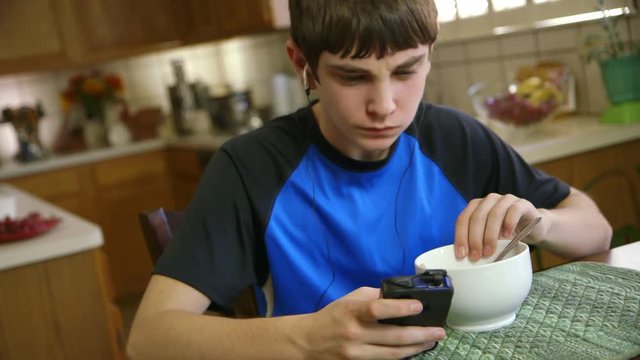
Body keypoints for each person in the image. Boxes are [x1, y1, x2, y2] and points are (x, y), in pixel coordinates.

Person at [127, 1, 612, 359]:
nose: (385, 105)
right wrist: (308, 337)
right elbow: (150, 338)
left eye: (406, 70)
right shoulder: (250, 167)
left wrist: (540, 221)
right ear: (304, 66)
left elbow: (597, 230)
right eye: (353, 77)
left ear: (429, 54)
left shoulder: (453, 137)